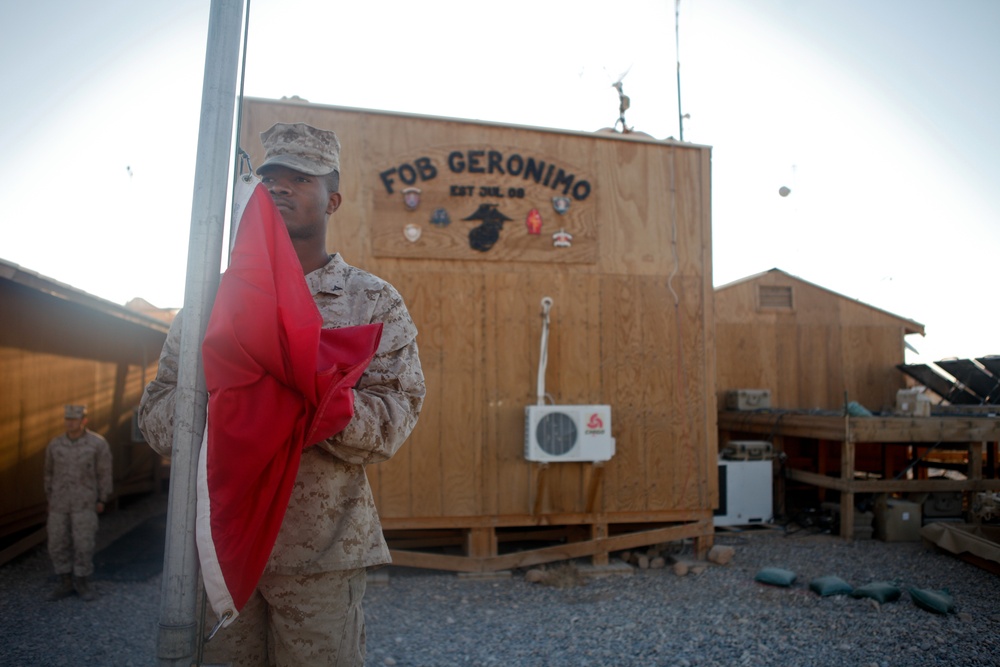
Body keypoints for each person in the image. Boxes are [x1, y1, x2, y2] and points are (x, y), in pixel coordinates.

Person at [139, 122, 425, 666]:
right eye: (270, 177)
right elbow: (155, 415)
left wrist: (314, 402)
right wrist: (231, 409)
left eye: (301, 177)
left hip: (319, 556)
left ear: (332, 199)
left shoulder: (371, 302)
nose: (280, 187)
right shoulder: (209, 302)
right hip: (220, 549)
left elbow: (396, 416)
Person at [44, 404, 113, 602]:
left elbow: (104, 473)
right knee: (57, 543)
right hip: (59, 503)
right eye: (67, 419)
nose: (69, 423)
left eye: (74, 419)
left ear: (84, 421)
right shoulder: (55, 445)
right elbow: (48, 473)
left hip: (85, 503)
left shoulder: (97, 444)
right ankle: (65, 582)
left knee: (83, 543)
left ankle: (82, 582)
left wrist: (102, 499)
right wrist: (49, 497)